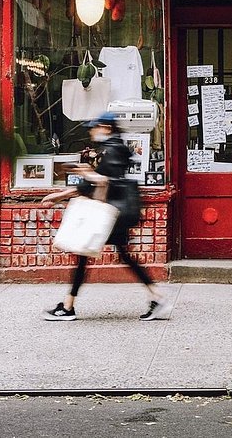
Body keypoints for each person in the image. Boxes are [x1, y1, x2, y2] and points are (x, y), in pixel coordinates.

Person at [41, 112, 169, 321]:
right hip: (112, 211)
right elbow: (101, 180)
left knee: (84, 253)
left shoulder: (113, 149)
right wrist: (63, 193)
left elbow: (103, 181)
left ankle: (68, 307)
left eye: (94, 127)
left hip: (110, 213)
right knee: (119, 256)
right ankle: (157, 297)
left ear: (106, 128)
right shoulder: (114, 148)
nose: (92, 131)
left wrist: (73, 184)